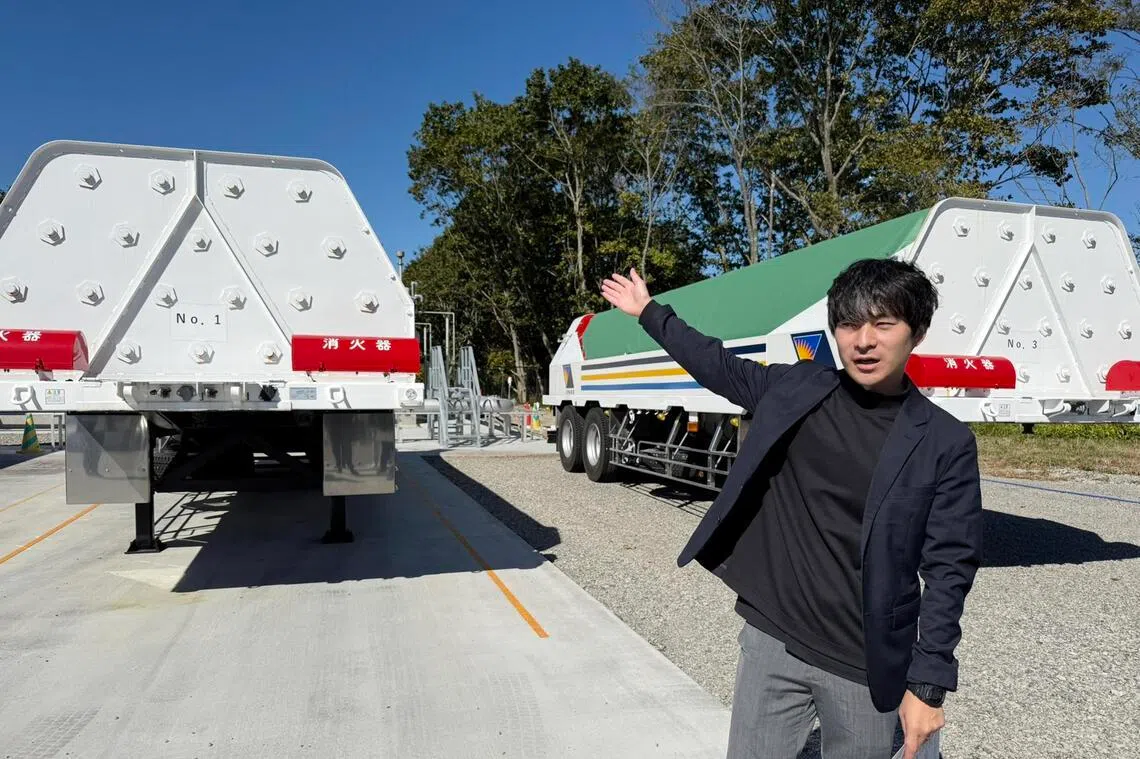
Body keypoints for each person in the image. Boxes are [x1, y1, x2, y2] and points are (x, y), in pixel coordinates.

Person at [600, 259, 982, 759]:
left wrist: (927, 686)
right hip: (772, 639)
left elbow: (949, 569)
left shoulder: (944, 441)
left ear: (917, 331)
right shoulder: (800, 390)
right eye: (849, 324)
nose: (863, 341)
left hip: (862, 664)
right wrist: (649, 311)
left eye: (883, 324)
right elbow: (716, 364)